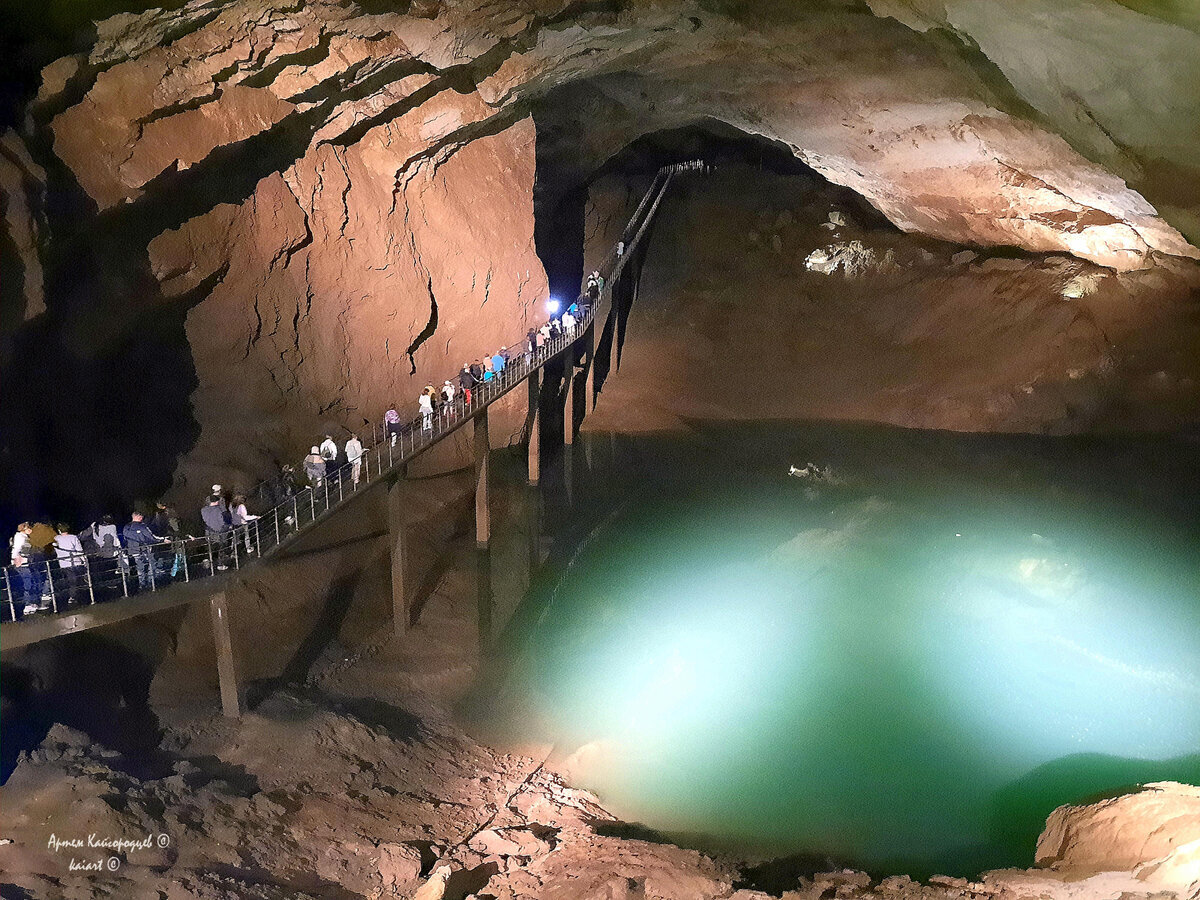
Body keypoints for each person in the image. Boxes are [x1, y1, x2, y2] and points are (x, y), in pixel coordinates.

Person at [123, 511, 165, 590]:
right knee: (152, 563)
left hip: (133, 550)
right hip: (144, 549)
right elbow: (151, 537)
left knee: (140, 567)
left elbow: (126, 538)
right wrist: (163, 540)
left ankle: (142, 584)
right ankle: (150, 582)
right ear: (139, 517)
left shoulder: (126, 527)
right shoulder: (142, 526)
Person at [53, 523, 87, 605]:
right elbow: (79, 549)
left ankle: (71, 596)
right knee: (75, 580)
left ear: (59, 530)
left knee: (70, 580)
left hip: (63, 563)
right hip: (75, 562)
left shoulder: (56, 538)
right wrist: (84, 560)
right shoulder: (73, 537)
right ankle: (73, 596)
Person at [9, 522, 36, 618]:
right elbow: (16, 549)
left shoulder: (24, 537)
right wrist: (14, 560)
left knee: (28, 582)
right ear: (24, 529)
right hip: (21, 563)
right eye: (29, 528)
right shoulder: (20, 537)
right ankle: (27, 605)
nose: (31, 529)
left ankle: (28, 603)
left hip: (25, 562)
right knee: (27, 583)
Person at [200, 495, 232, 571]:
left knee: (209, 547)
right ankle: (220, 564)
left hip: (208, 532)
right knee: (221, 547)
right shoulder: (218, 510)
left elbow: (205, 520)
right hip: (219, 532)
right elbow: (222, 521)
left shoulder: (203, 510)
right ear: (215, 502)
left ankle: (207, 561)